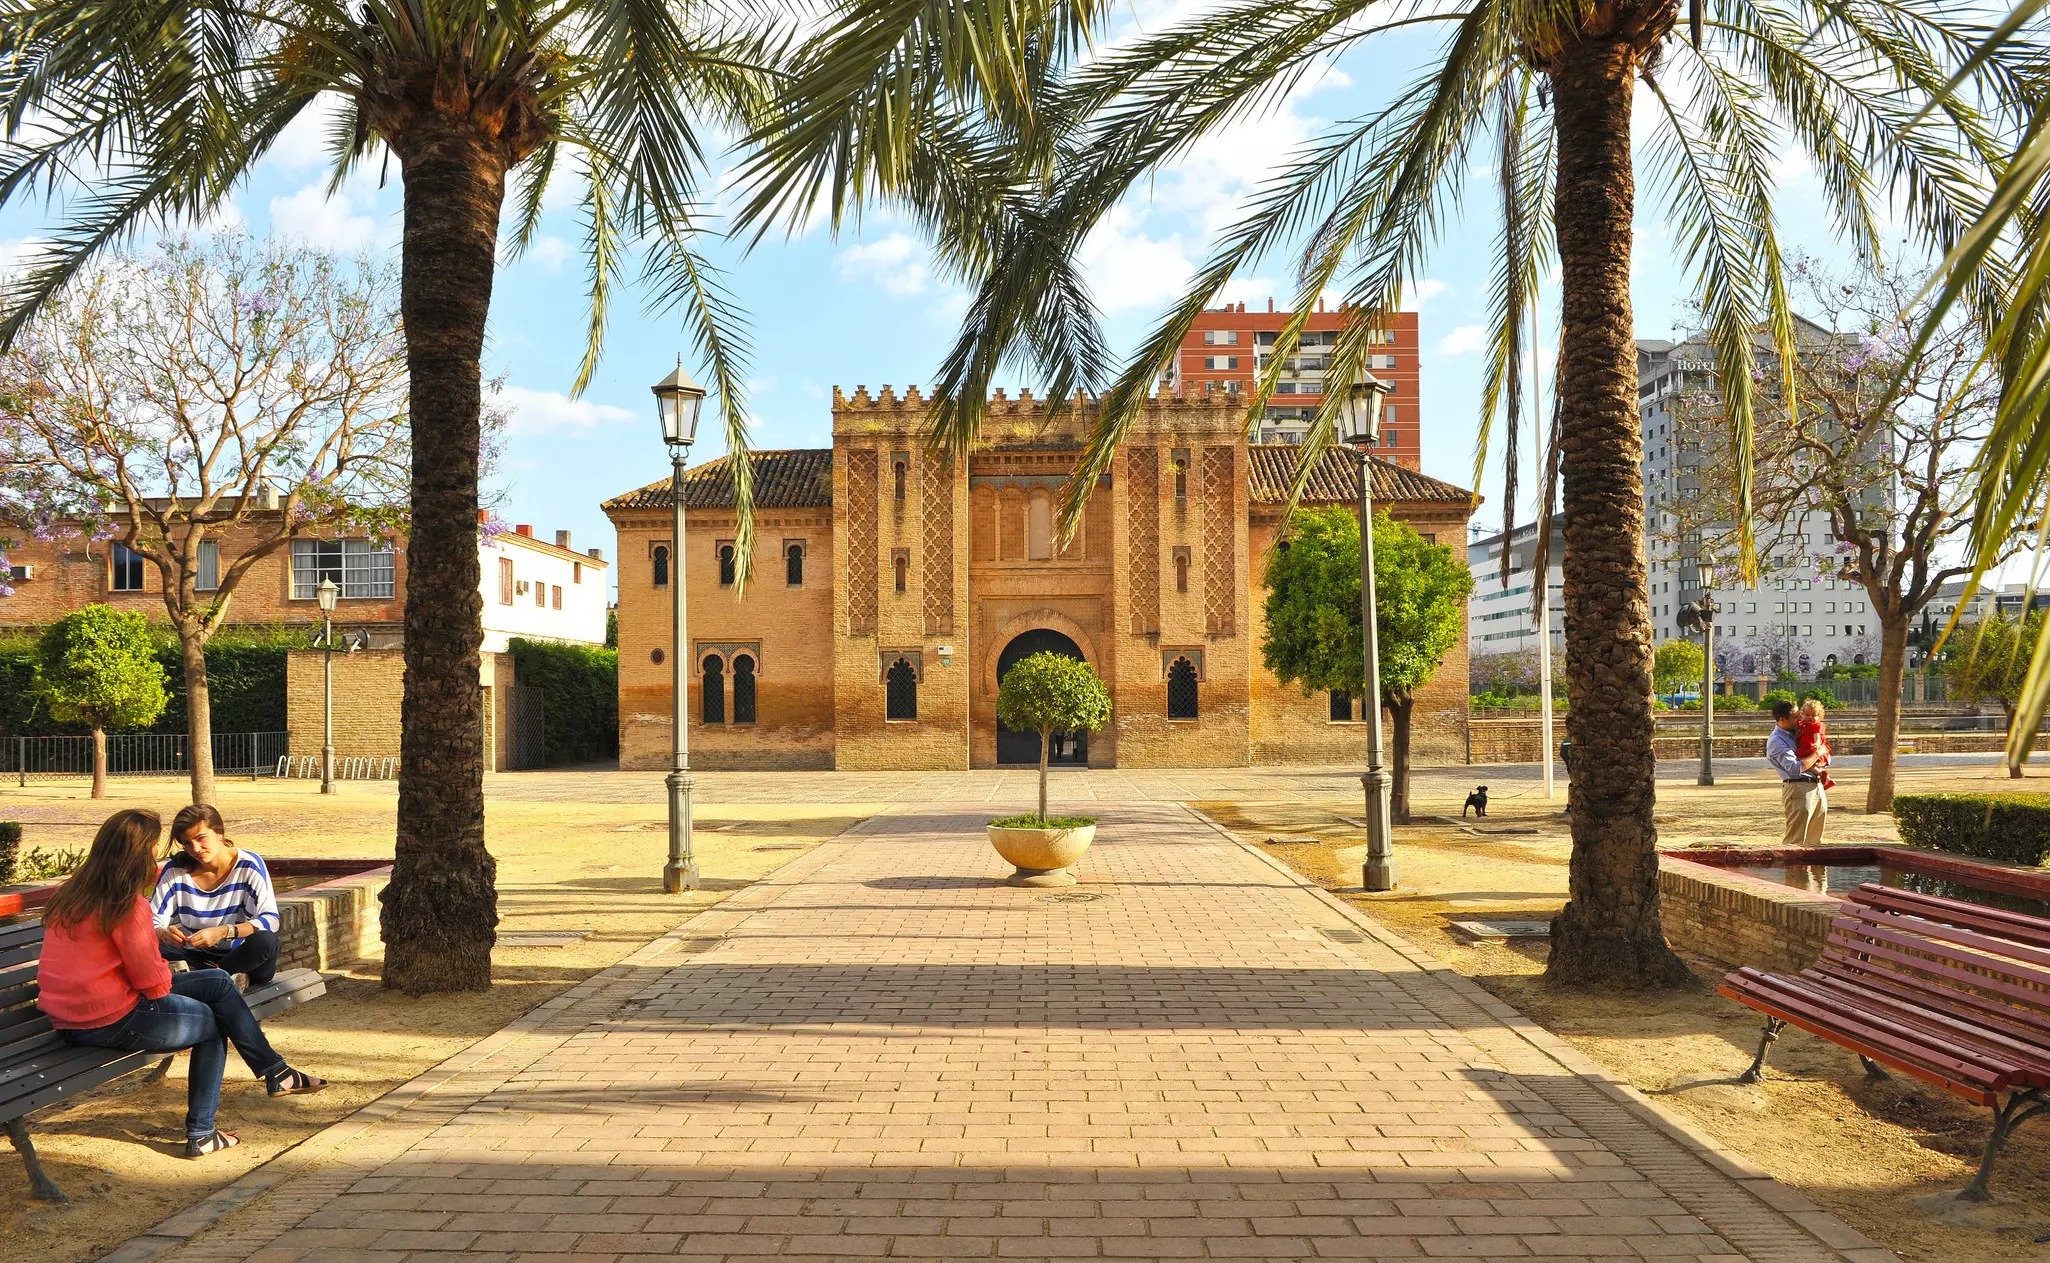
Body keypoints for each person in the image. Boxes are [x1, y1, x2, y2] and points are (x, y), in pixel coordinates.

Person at [37, 809, 326, 1159]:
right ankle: (203, 1132)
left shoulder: (68, 898)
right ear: (135, 855)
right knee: (214, 1020)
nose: (157, 858)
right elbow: (153, 985)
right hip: (110, 1018)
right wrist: (163, 961)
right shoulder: (126, 906)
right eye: (152, 849)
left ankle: (276, 1073)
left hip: (67, 1018)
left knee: (218, 983)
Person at [153, 804, 280, 986]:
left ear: (219, 833)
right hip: (193, 955)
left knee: (266, 941)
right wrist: (163, 933)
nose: (195, 849)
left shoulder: (248, 865)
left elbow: (270, 919)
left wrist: (223, 932)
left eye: (200, 838)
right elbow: (153, 921)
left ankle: (210, 977)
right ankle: (221, 978)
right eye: (187, 843)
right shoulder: (175, 870)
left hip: (240, 955)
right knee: (152, 946)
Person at [1767, 699, 1827, 846]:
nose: (1800, 718)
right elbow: (1795, 768)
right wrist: (1817, 754)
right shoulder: (1777, 741)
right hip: (1798, 788)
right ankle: (1794, 869)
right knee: (1796, 842)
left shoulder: (1798, 731)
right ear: (1782, 720)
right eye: (1795, 717)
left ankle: (1815, 868)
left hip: (1815, 786)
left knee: (1815, 842)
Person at [1796, 698, 1836, 791]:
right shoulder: (1803, 724)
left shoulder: (1816, 725)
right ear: (1803, 714)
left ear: (1820, 716)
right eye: (1807, 715)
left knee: (1805, 762)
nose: (1810, 717)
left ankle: (1821, 774)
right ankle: (1823, 777)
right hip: (1805, 748)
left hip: (1811, 748)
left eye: (1814, 715)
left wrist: (1816, 745)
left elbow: (1817, 736)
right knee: (1805, 762)